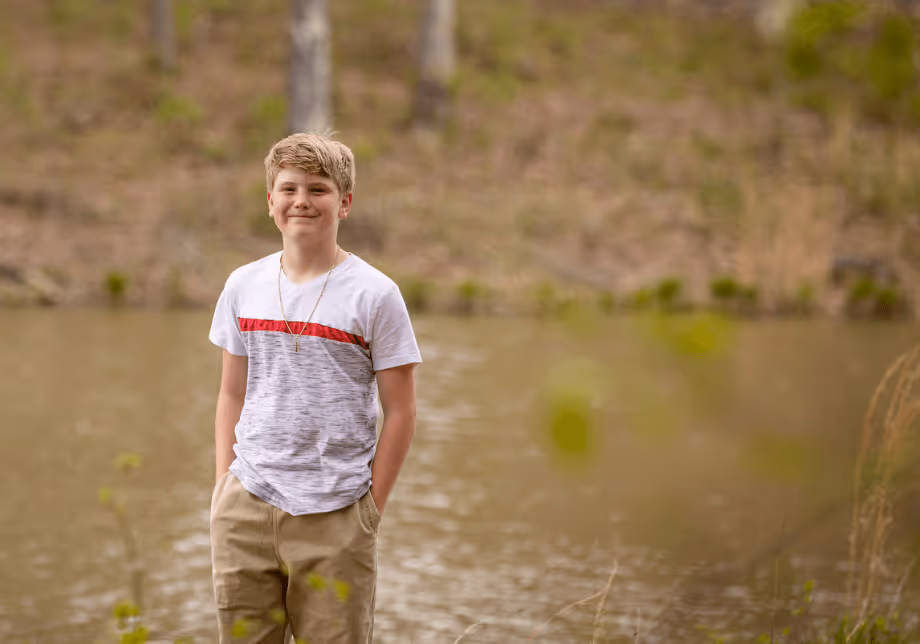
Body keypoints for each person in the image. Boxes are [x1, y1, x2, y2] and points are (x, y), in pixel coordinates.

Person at [208, 132, 422, 643]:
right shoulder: (243, 285)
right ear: (270, 202)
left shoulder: (375, 294)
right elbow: (230, 393)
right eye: (288, 189)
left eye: (318, 189)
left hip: (337, 514)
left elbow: (401, 411)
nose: (301, 200)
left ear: (345, 203)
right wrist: (223, 487)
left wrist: (371, 508)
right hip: (247, 506)